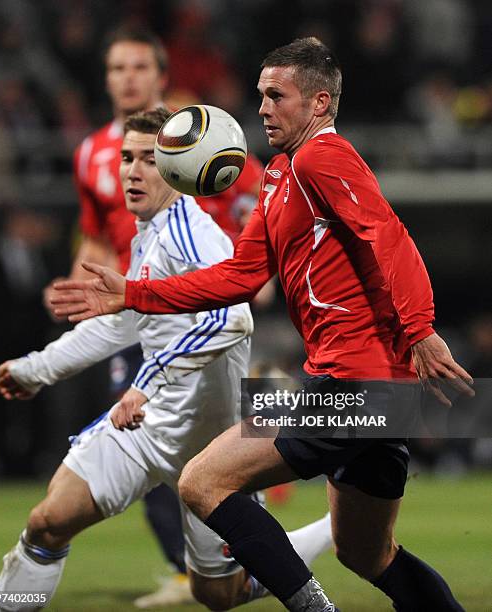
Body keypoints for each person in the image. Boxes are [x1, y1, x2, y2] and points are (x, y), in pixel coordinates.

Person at [51, 38, 474, 612]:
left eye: (278, 96)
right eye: (261, 96)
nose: (264, 108)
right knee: (366, 554)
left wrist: (421, 328)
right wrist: (133, 292)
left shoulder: (324, 156)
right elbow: (238, 277)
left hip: (355, 383)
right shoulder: (280, 175)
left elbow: (387, 233)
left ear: (320, 102)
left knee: (201, 482)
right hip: (367, 387)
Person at [0, 110, 331, 612]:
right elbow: (124, 324)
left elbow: (231, 320)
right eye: (126, 158)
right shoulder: (148, 234)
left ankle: (332, 528)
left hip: (210, 449)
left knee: (219, 594)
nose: (132, 170)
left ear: (179, 169)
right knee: (48, 521)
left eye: (150, 159)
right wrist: (36, 369)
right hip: (146, 432)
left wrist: (146, 381)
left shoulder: (193, 236)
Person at [45, 26, 268, 609]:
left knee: (198, 436)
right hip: (131, 309)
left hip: (199, 308)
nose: (128, 79)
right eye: (117, 68)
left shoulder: (199, 138)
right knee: (138, 428)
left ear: (160, 76)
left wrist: (252, 270)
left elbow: (257, 201)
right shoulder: (92, 152)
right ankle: (188, 560)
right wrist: (80, 292)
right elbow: (95, 235)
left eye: (139, 67)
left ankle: (233, 538)